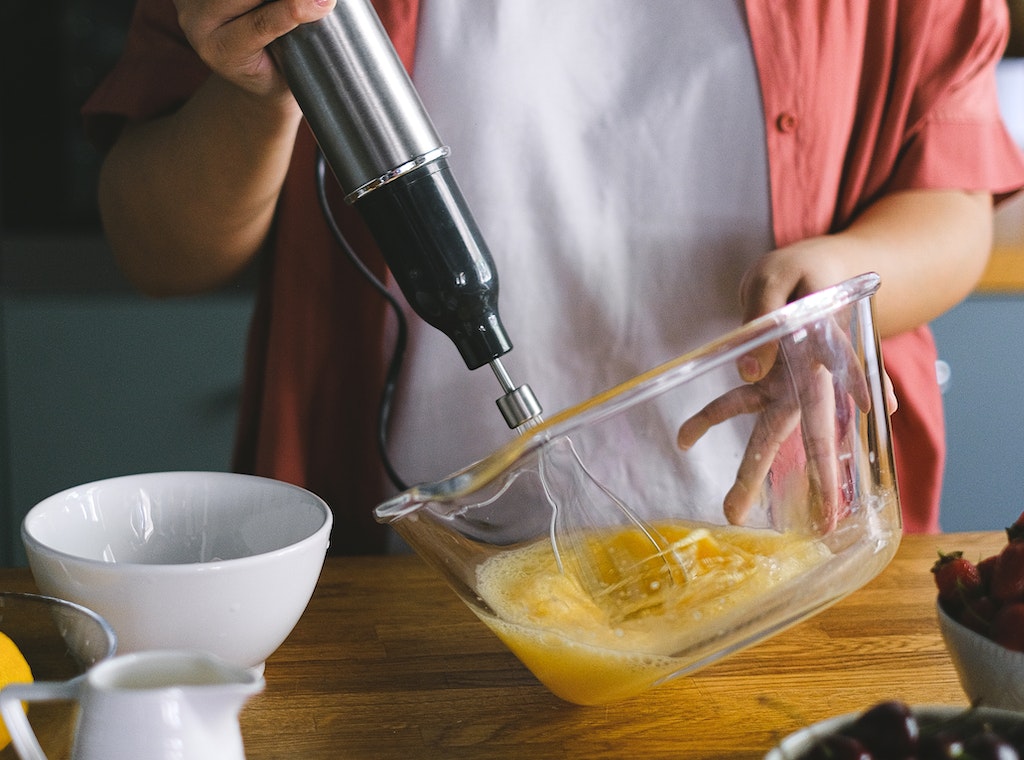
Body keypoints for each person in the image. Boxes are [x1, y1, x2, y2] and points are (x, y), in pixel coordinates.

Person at [86, 0, 1024, 554]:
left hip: (781, 554)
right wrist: (255, 86)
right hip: (405, 577)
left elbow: (952, 204)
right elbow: (158, 250)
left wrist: (844, 284)